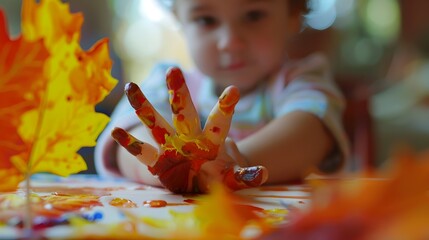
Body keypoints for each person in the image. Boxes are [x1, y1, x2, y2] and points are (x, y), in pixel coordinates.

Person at [95, 0, 350, 193]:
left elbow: (312, 130)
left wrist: (236, 164)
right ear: (179, 20)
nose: (230, 41)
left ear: (293, 15)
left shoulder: (299, 80)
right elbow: (125, 137)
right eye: (206, 20)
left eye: (253, 15)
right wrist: (164, 169)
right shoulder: (169, 85)